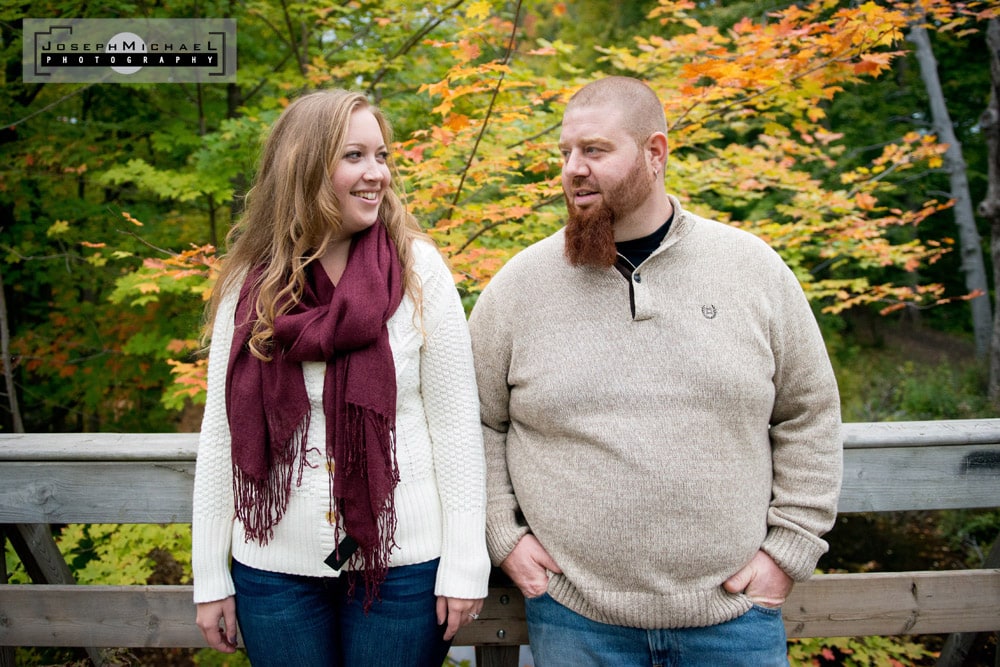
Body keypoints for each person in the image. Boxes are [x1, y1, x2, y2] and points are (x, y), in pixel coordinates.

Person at [468, 76, 842, 666]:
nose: (573, 169)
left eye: (594, 150)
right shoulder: (520, 286)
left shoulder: (753, 271)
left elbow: (808, 413)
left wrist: (789, 549)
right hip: (575, 618)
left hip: (733, 618)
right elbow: (477, 423)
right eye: (565, 153)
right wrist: (503, 535)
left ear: (655, 153)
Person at [192, 88, 490, 666]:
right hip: (274, 568)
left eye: (381, 156)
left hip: (403, 565)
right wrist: (210, 575)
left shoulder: (418, 269)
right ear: (304, 166)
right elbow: (220, 435)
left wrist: (464, 558)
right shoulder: (249, 285)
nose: (376, 173)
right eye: (354, 156)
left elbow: (456, 425)